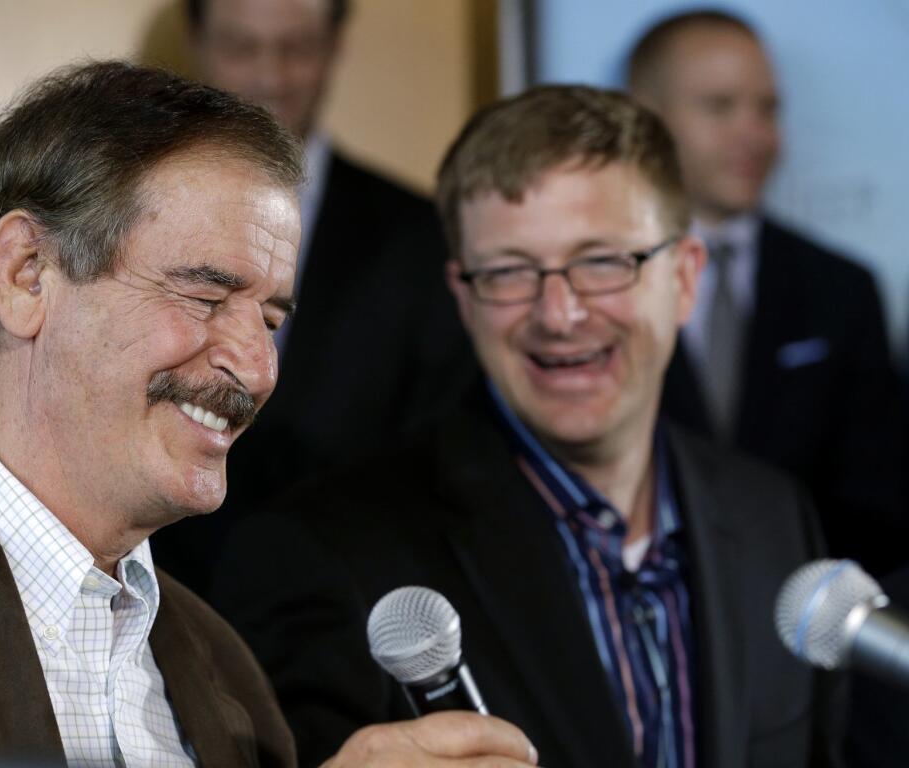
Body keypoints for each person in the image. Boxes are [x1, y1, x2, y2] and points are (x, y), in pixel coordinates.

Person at [0, 59, 540, 768]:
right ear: (27, 274)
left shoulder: (226, 671)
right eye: (206, 292)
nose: (256, 366)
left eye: (274, 320)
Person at [213, 85, 845, 768]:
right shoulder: (322, 556)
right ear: (463, 296)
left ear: (686, 279)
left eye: (604, 262)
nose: (559, 313)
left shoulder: (773, 520)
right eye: (510, 271)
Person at [150, 0, 476, 594]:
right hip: (165, 602)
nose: (270, 76)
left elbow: (439, 459)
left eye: (297, 49)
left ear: (334, 46)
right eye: (242, 48)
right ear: (196, 41)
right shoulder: (135, 220)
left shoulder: (423, 241)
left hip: (355, 612)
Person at [627, 10, 905, 575]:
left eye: (768, 108)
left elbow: (879, 502)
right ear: (646, 116)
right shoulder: (596, 284)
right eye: (720, 105)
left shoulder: (842, 290)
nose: (754, 133)